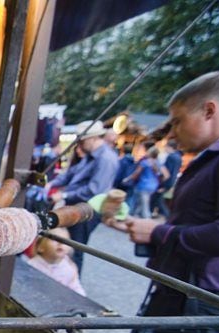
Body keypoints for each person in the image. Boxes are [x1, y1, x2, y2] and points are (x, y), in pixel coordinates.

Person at [114, 71, 219, 333]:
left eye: (178, 120)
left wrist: (160, 232)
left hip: (195, 298)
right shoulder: (210, 159)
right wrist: (148, 232)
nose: (173, 131)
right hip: (180, 290)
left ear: (209, 110)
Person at [47, 120, 119, 272]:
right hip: (78, 206)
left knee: (75, 248)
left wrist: (64, 194)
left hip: (88, 210)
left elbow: (94, 190)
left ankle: (72, 280)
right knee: (68, 243)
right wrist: (51, 183)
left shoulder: (106, 158)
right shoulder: (91, 155)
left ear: (92, 138)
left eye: (82, 140)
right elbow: (71, 174)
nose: (79, 144)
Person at [26, 228, 86, 296]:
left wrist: (82, 297)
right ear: (40, 247)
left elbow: (75, 287)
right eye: (55, 239)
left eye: (65, 241)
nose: (60, 243)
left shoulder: (70, 267)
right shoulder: (32, 266)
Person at [122, 144, 165, 218]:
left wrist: (127, 179)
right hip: (153, 186)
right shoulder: (158, 163)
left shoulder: (145, 162)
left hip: (143, 185)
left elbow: (136, 173)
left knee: (144, 205)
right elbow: (164, 175)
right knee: (140, 203)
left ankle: (146, 218)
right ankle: (134, 217)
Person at [154, 139, 182, 217]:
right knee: (158, 199)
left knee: (158, 200)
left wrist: (163, 184)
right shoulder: (178, 157)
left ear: (169, 147)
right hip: (171, 182)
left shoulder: (171, 157)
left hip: (166, 182)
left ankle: (168, 216)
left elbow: (167, 172)